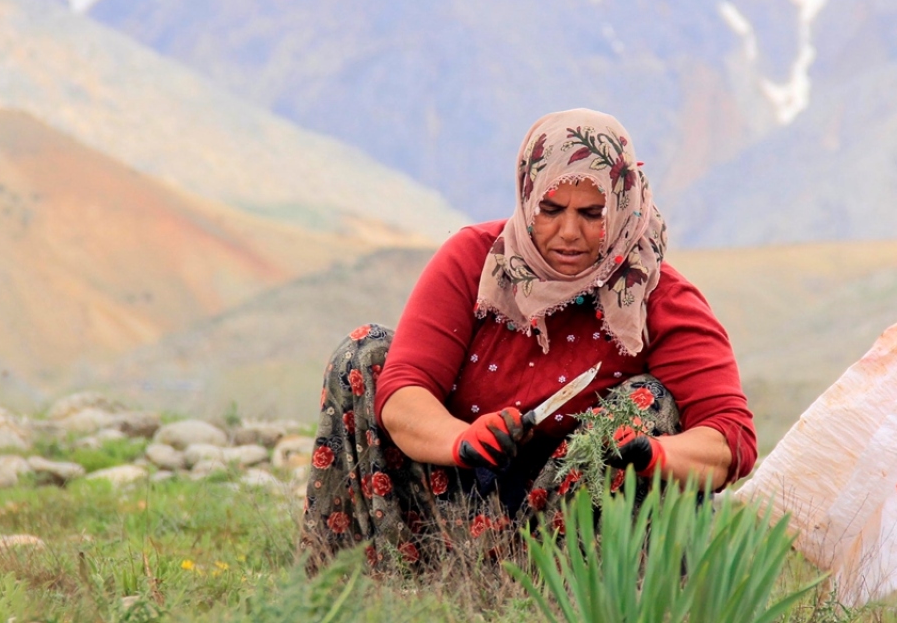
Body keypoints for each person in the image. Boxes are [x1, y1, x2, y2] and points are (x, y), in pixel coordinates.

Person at [302, 109, 755, 566]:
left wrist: (653, 454)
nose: (569, 233)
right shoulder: (475, 260)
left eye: (592, 214)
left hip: (573, 530)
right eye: (551, 210)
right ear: (527, 197)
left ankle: (587, 600)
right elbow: (403, 388)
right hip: (448, 513)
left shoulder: (657, 296)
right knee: (365, 353)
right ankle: (348, 587)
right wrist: (463, 440)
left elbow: (730, 436)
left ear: (621, 207)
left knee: (651, 400)